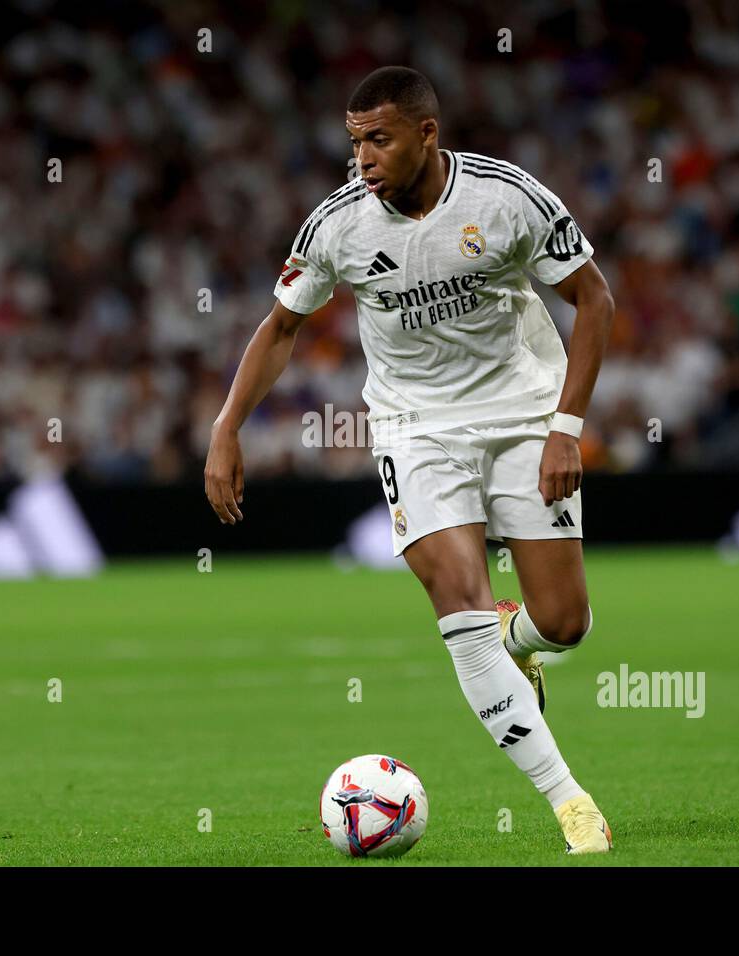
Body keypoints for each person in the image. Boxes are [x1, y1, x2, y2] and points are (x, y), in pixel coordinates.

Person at [205, 67, 616, 853]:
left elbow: (594, 299)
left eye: (380, 138)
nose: (362, 156)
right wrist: (227, 429)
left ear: (428, 134)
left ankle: (517, 635)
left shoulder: (506, 198)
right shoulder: (337, 225)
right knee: (458, 606)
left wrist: (567, 425)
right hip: (414, 430)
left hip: (522, 416)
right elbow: (281, 328)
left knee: (565, 626)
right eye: (355, 140)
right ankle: (570, 804)